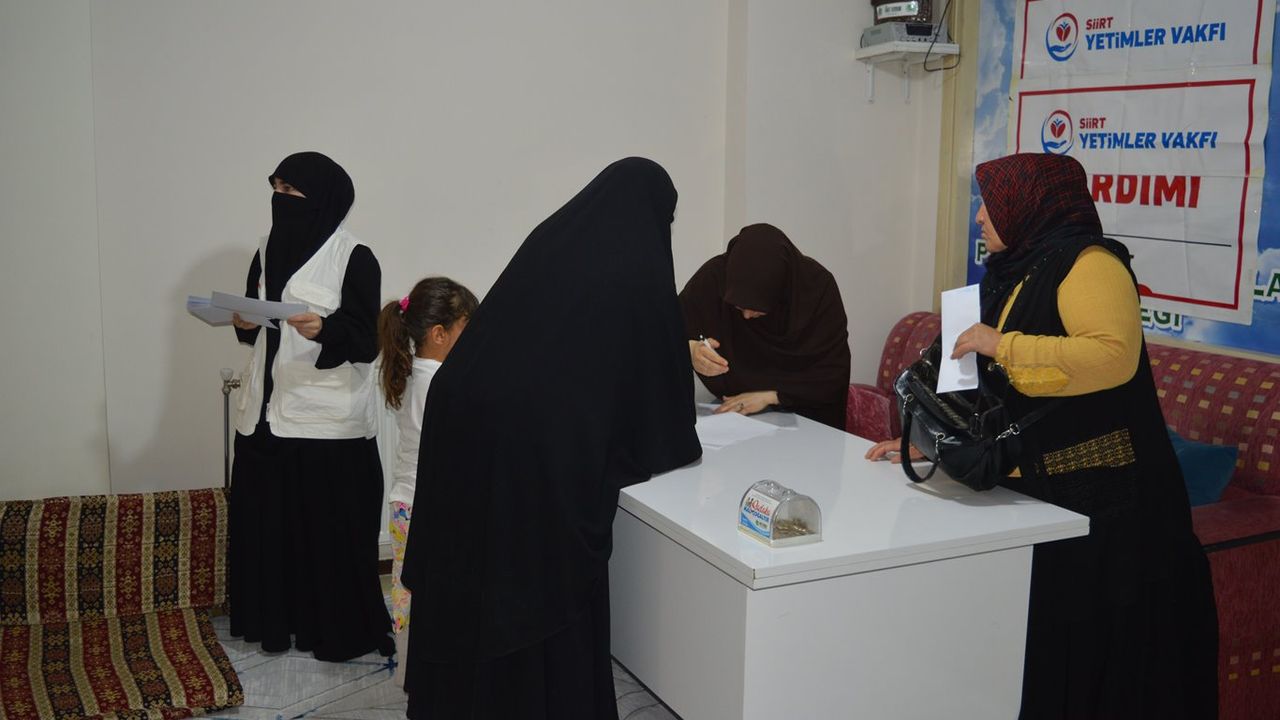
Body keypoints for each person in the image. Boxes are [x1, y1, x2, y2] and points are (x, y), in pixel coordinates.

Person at [866, 153, 1218, 718]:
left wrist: (1001, 344)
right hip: (1032, 493)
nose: (980, 217)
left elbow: (1112, 357)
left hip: (1104, 513)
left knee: (1088, 667)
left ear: (1029, 204)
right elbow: (979, 389)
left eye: (991, 203)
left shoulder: (1091, 264)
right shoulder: (1009, 271)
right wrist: (930, 443)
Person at [399, 157, 702, 719]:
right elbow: (653, 392)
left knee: (476, 563)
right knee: (536, 580)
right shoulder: (638, 264)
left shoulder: (554, 238)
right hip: (531, 443)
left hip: (461, 408)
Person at [228, 151, 392, 661]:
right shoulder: (264, 249)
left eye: (290, 190)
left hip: (326, 424)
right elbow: (253, 328)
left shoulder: (354, 257)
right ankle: (275, 624)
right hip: (263, 416)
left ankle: (332, 631)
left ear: (322, 198)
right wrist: (243, 323)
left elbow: (367, 341)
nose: (280, 198)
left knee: (326, 536)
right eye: (276, 188)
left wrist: (324, 329)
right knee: (269, 531)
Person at [377, 276, 478, 686]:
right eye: (467, 330)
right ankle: (425, 675)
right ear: (439, 334)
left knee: (408, 590)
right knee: (430, 594)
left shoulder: (414, 373)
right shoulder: (440, 382)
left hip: (406, 502)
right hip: (428, 506)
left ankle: (411, 672)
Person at [679, 223, 851, 430]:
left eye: (758, 308)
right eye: (738, 306)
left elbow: (833, 375)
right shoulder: (715, 277)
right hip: (731, 418)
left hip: (807, 420)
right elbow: (664, 332)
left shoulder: (817, 289)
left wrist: (771, 396)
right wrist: (689, 350)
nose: (746, 316)